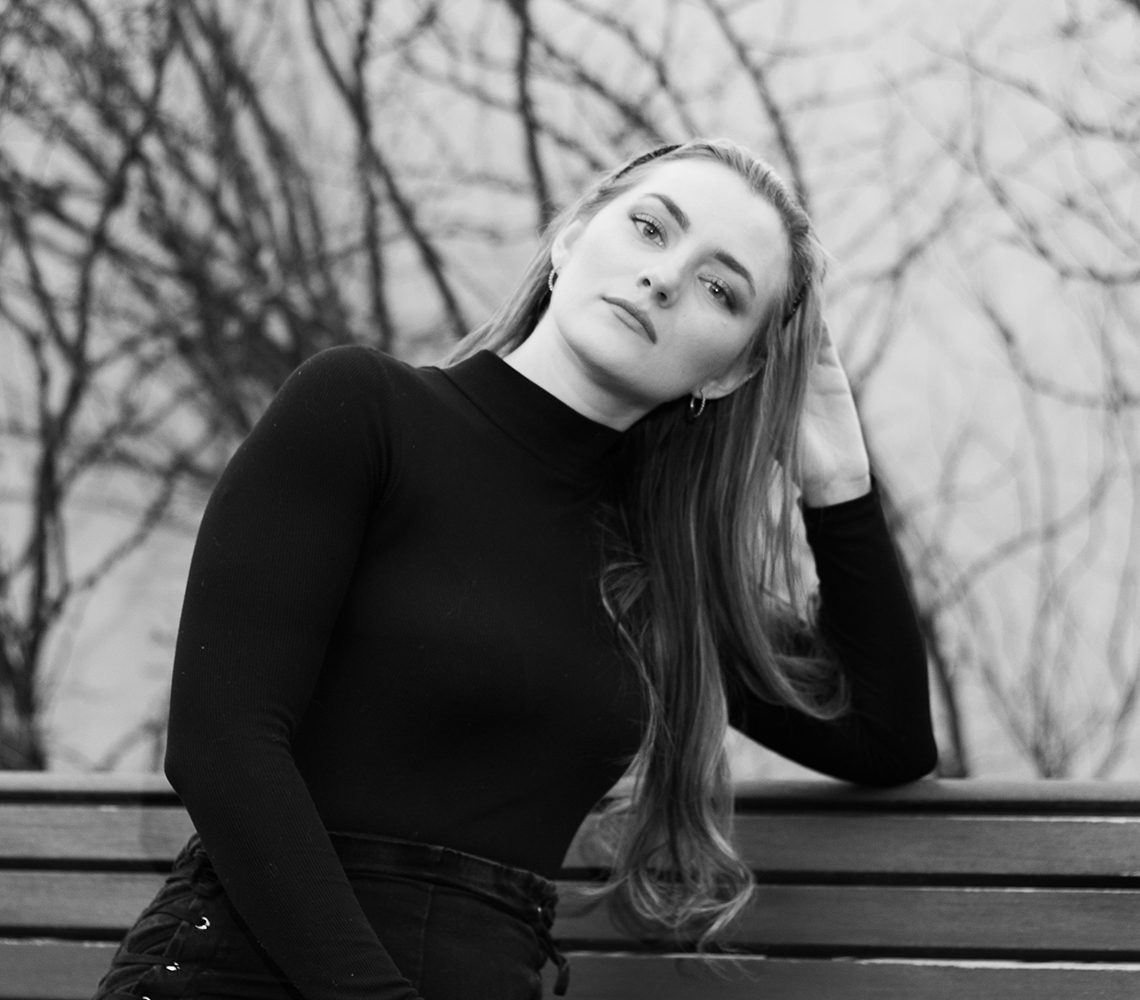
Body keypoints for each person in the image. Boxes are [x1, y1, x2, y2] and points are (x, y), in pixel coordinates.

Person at [93, 138, 937, 1000]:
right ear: (571, 236)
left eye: (720, 290)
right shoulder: (363, 412)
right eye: (650, 229)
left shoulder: (659, 576)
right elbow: (221, 744)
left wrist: (839, 484)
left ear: (728, 375)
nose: (664, 279)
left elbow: (886, 738)